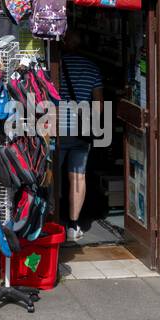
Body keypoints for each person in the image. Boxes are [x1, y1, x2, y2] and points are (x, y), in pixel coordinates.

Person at [56, 34, 103, 242]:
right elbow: (99, 105)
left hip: (56, 127)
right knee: (78, 176)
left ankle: (52, 220)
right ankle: (74, 225)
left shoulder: (55, 64)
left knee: (51, 175)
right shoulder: (92, 68)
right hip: (81, 128)